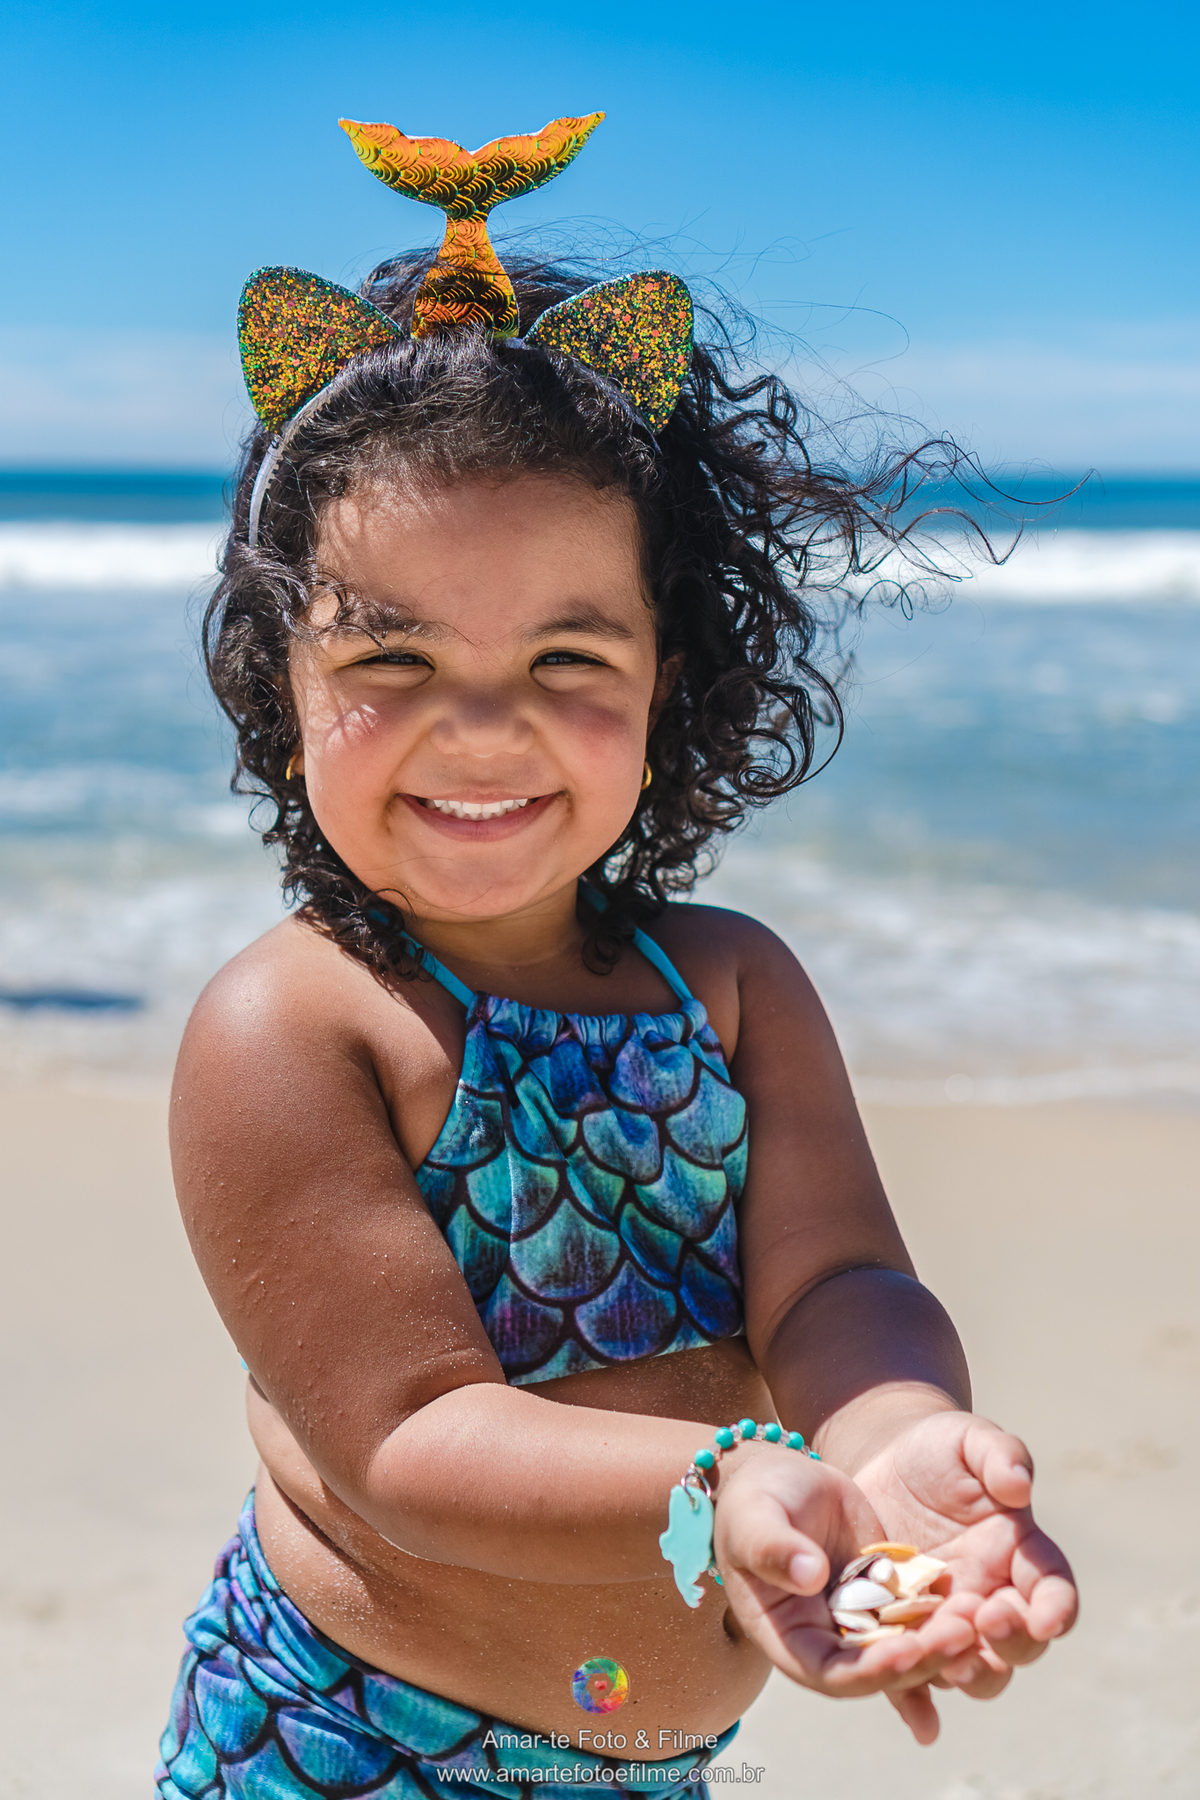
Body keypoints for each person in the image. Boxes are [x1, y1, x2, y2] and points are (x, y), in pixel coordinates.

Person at [157, 109, 1076, 1800]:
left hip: (656, 1771)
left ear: (678, 674)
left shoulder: (725, 986)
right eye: (397, 657)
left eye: (569, 651)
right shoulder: (294, 1029)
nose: (485, 726)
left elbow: (834, 1287)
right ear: (281, 691)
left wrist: (893, 1439)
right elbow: (407, 1442)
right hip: (343, 1753)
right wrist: (725, 1478)